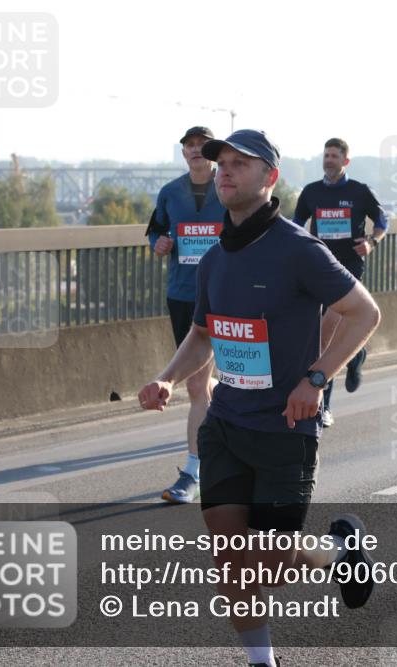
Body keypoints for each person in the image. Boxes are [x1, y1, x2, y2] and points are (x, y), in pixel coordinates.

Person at [138, 130, 381, 667]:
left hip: (284, 430)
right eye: (221, 162)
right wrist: (168, 379)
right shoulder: (214, 261)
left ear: (270, 178)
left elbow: (364, 313)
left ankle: (341, 553)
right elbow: (203, 335)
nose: (224, 170)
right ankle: (261, 662)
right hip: (225, 424)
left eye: (241, 164)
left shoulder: (299, 249)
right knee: (231, 558)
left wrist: (316, 379)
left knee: (268, 562)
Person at [144, 126, 227, 504]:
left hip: (222, 295)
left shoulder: (228, 188)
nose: (195, 151)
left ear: (212, 152)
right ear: (183, 153)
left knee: (195, 386)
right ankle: (223, 421)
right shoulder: (170, 193)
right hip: (181, 296)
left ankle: (193, 471)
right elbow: (155, 233)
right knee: (201, 385)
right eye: (189, 146)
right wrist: (159, 244)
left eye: (201, 146)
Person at [292, 138, 389, 428]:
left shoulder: (359, 191)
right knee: (320, 339)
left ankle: (325, 407)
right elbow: (296, 225)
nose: (329, 160)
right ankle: (356, 352)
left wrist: (372, 241)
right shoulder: (311, 192)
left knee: (327, 340)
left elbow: (383, 220)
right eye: (326, 155)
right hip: (315, 273)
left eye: (335, 156)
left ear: (345, 162)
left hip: (347, 274)